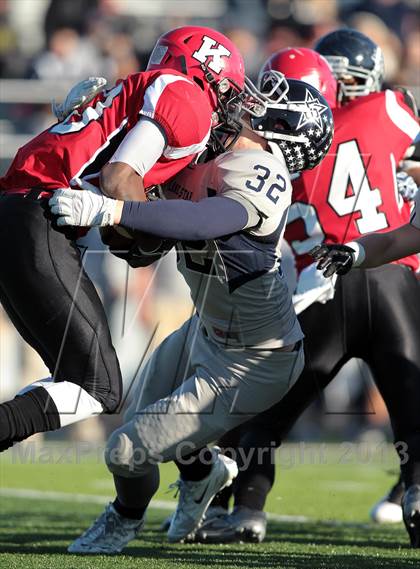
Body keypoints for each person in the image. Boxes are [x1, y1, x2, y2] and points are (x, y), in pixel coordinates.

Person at [48, 76, 334, 554]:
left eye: (263, 107)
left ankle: (124, 519)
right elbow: (142, 206)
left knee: (124, 451)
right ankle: (204, 472)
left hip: (256, 357)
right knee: (135, 422)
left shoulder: (266, 173)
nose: (246, 107)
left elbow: (204, 221)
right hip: (206, 328)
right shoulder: (209, 155)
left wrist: (114, 212)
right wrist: (89, 128)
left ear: (285, 134)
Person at [196, 33, 420, 549]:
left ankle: (247, 510)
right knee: (412, 412)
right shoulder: (388, 111)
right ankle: (413, 495)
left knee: (267, 415)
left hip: (319, 287)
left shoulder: (273, 154)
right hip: (393, 278)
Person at [0, 26, 247, 452]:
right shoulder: (185, 95)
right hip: (34, 220)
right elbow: (119, 178)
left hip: (19, 214)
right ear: (205, 73)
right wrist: (143, 223)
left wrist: (126, 223)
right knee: (99, 387)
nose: (226, 105)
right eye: (225, 90)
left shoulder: (144, 88)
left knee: (80, 380)